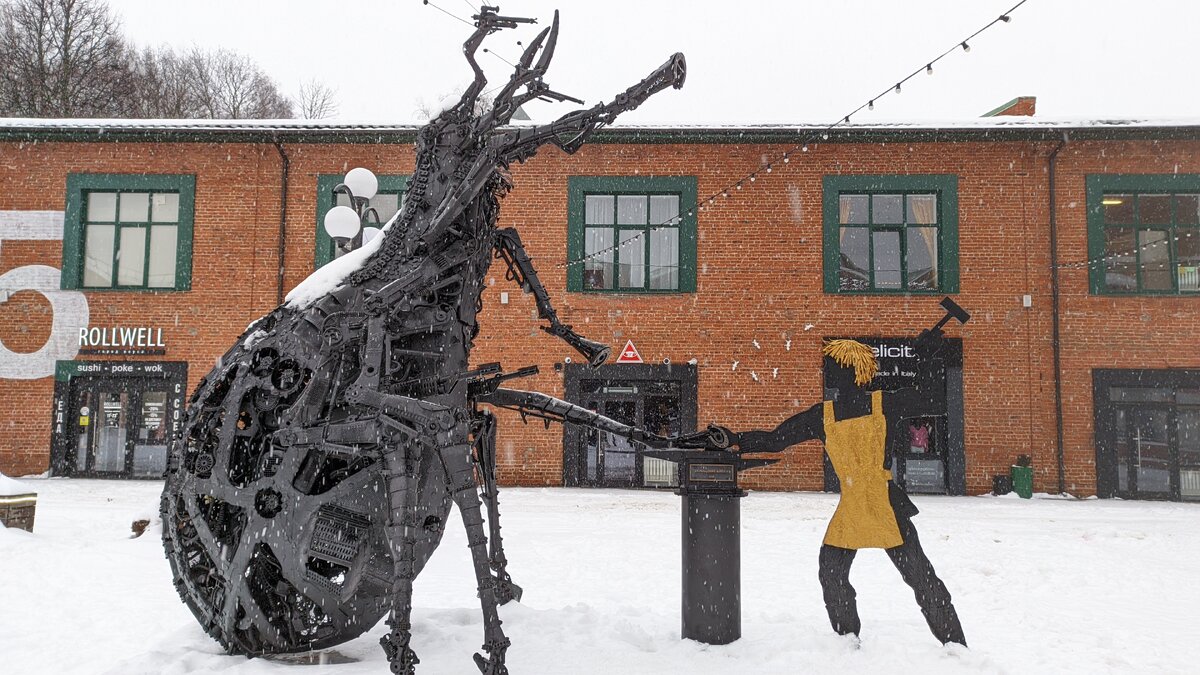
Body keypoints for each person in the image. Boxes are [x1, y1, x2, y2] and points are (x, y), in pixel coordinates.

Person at [724, 337, 966, 647]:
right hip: (852, 506)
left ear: (854, 371)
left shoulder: (884, 403)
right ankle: (846, 640)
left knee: (919, 576)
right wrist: (736, 439)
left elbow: (933, 399)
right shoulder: (824, 415)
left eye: (836, 366)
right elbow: (776, 440)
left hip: (884, 505)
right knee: (832, 573)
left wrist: (929, 356)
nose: (829, 371)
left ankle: (955, 645)